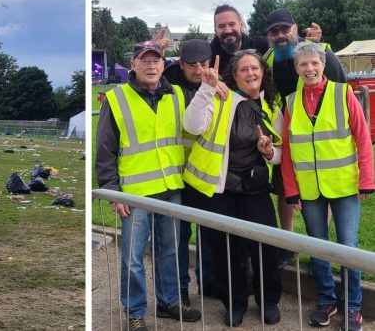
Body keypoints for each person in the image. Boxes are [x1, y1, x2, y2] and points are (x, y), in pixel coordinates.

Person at [95, 41, 201, 330]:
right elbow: (105, 150)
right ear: (133, 65)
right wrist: (113, 191)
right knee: (132, 257)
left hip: (170, 188)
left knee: (169, 250)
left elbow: (194, 128)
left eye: (156, 60)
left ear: (163, 64)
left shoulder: (177, 95)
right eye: (145, 61)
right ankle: (136, 311)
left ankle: (168, 302)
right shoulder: (117, 99)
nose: (151, 65)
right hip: (135, 194)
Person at [183, 50, 283, 327]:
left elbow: (281, 154)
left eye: (255, 68)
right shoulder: (220, 97)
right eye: (243, 70)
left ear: (263, 72)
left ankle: (269, 301)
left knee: (265, 246)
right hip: (219, 188)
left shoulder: (272, 106)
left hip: (254, 188)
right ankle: (235, 304)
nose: (251, 74)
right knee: (225, 250)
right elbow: (191, 125)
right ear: (234, 76)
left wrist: (268, 152)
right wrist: (207, 87)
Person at [281, 42, 373, 331]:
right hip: (309, 191)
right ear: (296, 69)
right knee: (316, 246)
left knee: (348, 247)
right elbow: (286, 150)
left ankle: (353, 308)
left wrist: (367, 180)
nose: (309, 69)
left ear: (323, 65)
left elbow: (363, 139)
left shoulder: (343, 93)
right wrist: (291, 189)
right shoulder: (291, 102)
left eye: (314, 63)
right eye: (303, 64)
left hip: (345, 186)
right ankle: (326, 301)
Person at [263, 8, 347, 267]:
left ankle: (319, 246)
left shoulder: (323, 54)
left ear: (295, 29)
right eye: (274, 31)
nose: (280, 35)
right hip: (284, 135)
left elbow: (342, 94)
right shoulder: (268, 58)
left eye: (284, 29)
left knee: (321, 188)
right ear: (268, 35)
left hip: (319, 135)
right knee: (282, 189)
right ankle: (288, 243)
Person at [162, 39, 221, 303]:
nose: (199, 70)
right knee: (179, 236)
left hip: (204, 172)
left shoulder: (218, 86)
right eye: (192, 65)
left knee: (208, 232)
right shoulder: (168, 89)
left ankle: (209, 282)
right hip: (176, 173)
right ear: (181, 64)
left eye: (204, 64)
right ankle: (181, 288)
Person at [210, 4, 322, 76]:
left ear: (241, 25)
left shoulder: (261, 45)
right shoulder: (207, 55)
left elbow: (287, 42)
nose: (228, 30)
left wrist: (314, 40)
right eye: (221, 26)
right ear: (215, 29)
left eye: (232, 24)